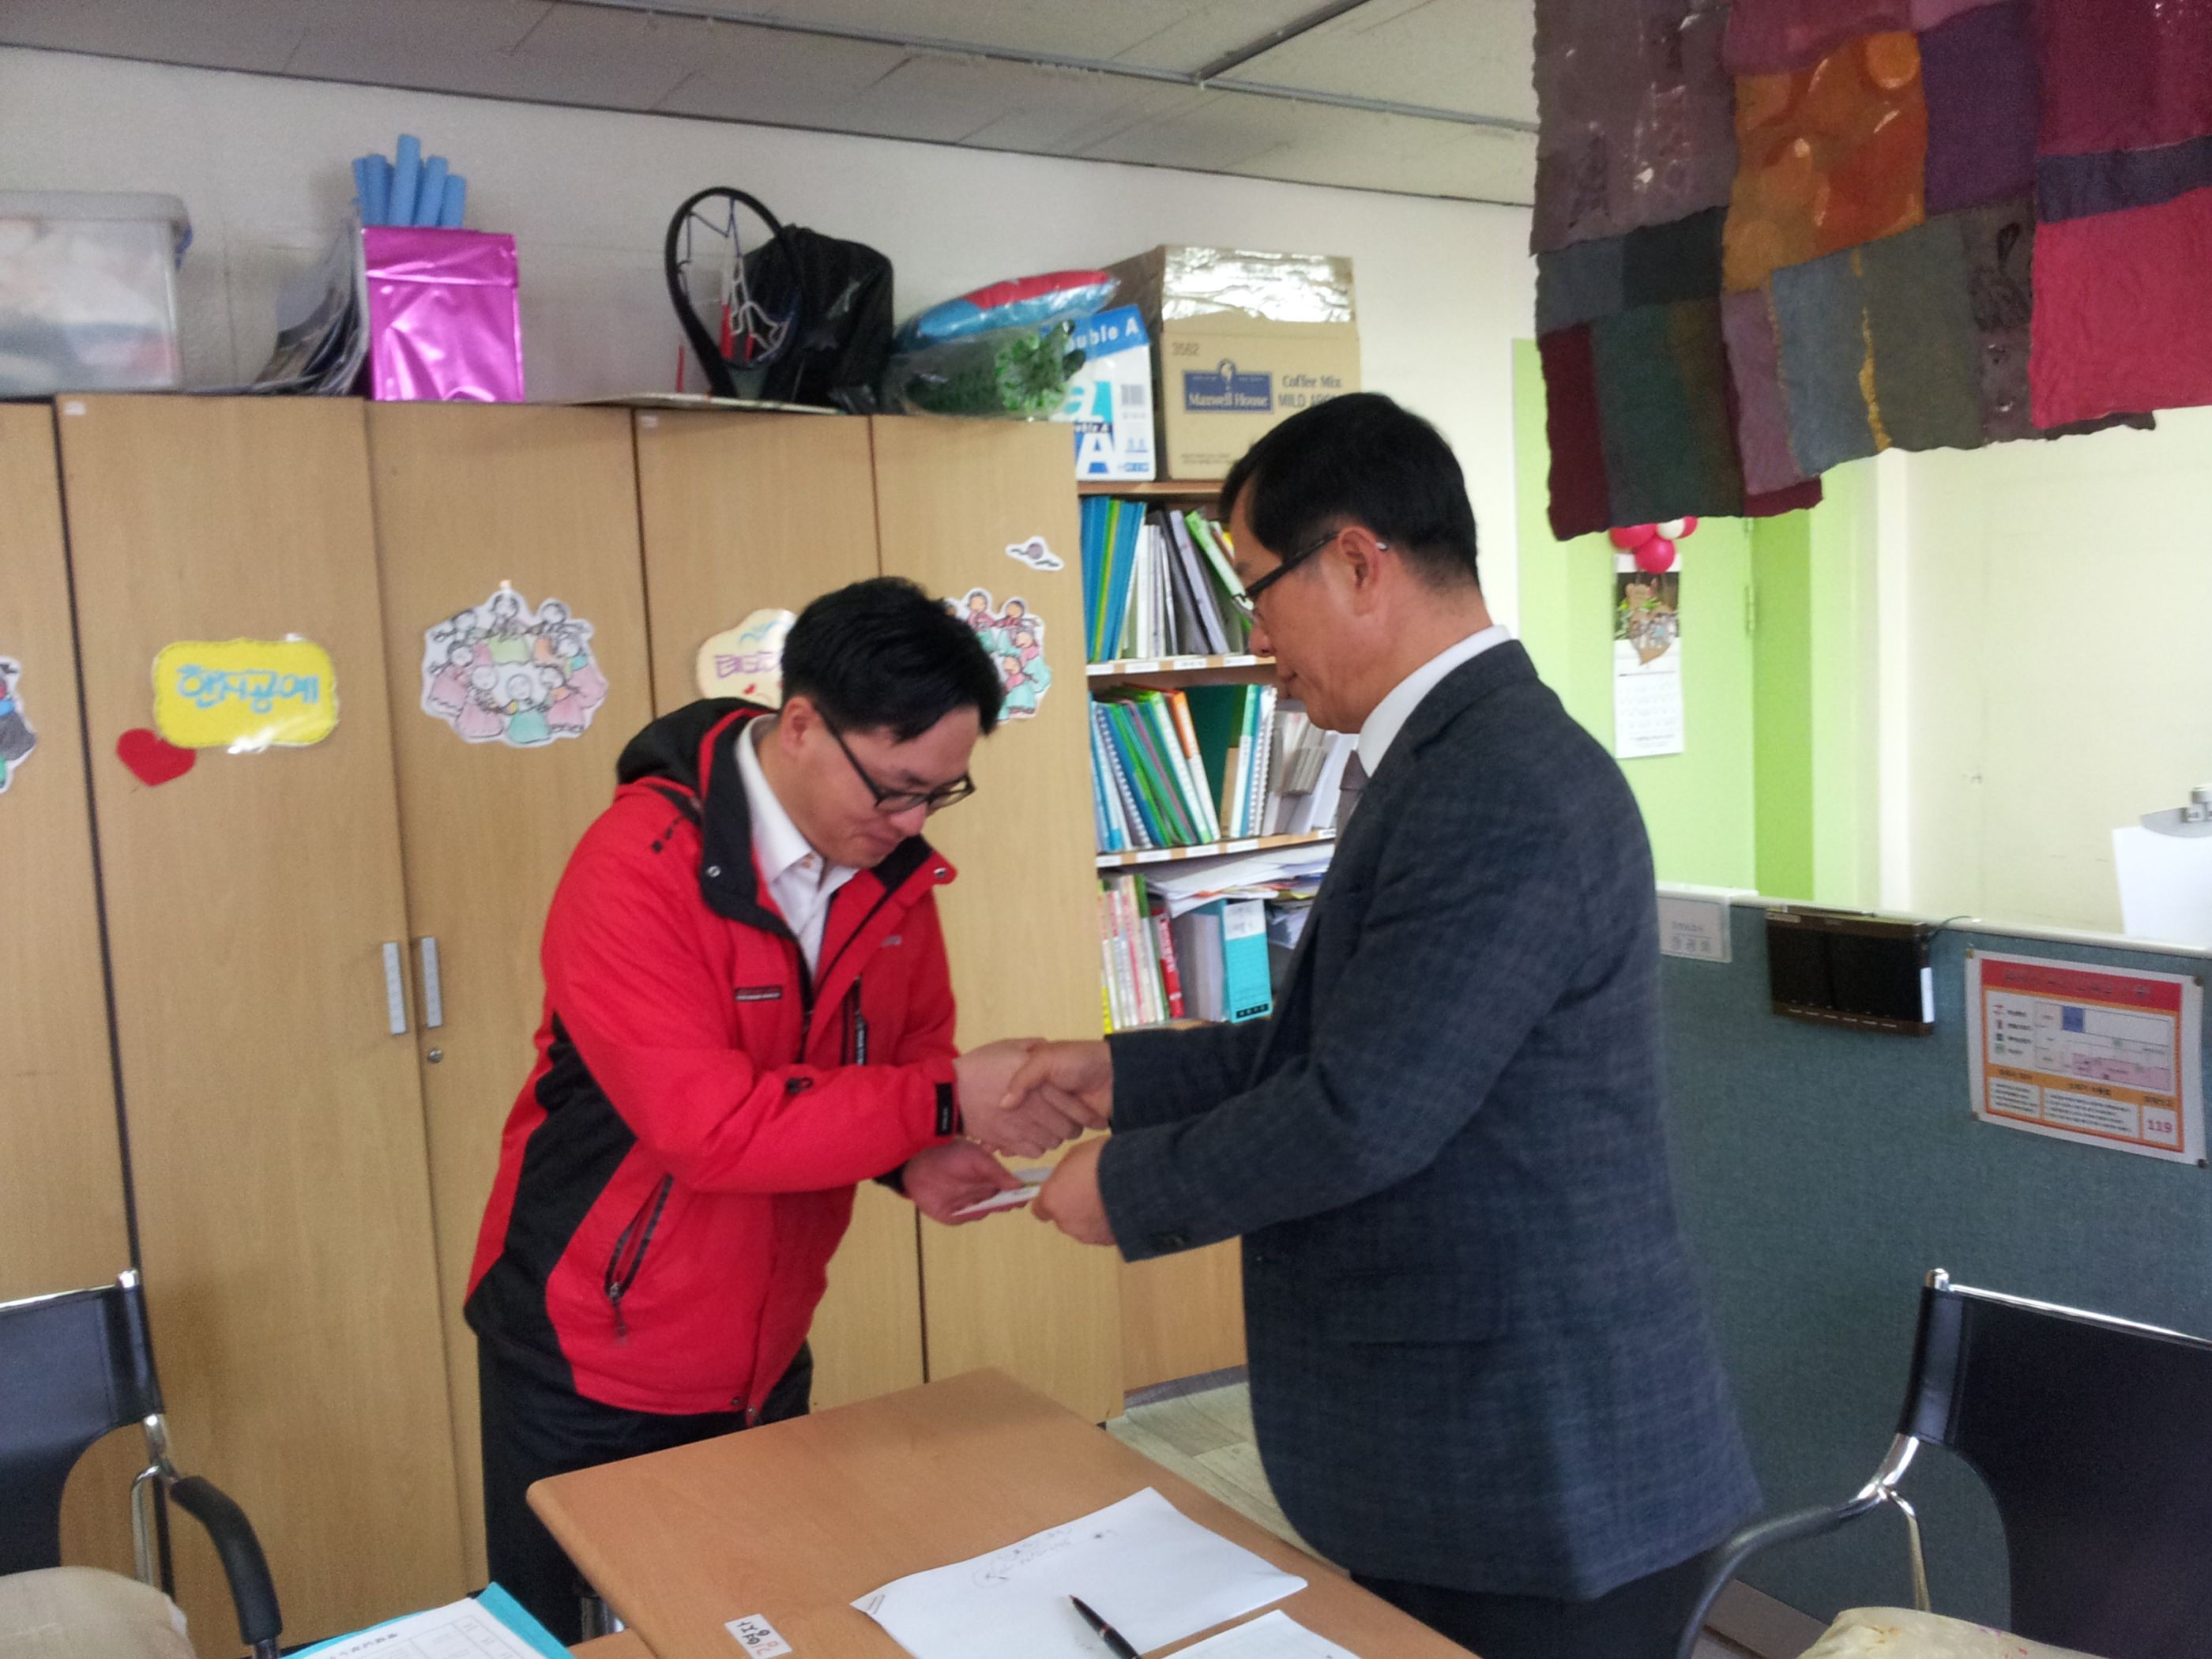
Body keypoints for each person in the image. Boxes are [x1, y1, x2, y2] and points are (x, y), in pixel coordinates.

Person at [1011, 394, 1759, 1659]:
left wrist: (1127, 1187)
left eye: (1258, 592)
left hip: (1535, 1469)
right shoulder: (1446, 761)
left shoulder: (1499, 785)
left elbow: (1363, 1115)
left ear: (1359, 562)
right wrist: (1109, 1077)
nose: (1256, 638)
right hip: (1472, 1450)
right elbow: (1338, 1050)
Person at [465, 577, 1099, 1640]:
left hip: (765, 1348)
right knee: (587, 1638)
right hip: (589, 1355)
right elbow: (709, 1130)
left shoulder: (889, 874)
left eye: (940, 794)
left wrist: (912, 1156)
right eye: (895, 789)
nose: (911, 822)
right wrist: (944, 1100)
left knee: (750, 1621)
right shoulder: (636, 866)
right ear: (801, 724)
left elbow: (900, 1056)